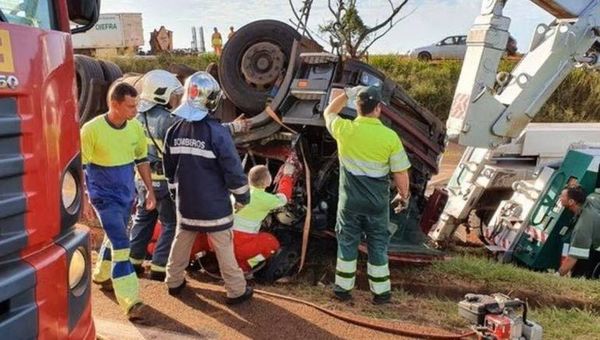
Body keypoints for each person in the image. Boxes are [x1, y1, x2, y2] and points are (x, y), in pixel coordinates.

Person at [163, 71, 253, 304]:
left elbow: (169, 169)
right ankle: (236, 290)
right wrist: (243, 196)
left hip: (186, 204)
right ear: (212, 101)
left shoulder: (174, 131)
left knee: (181, 240)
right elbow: (232, 169)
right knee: (223, 246)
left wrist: (176, 194)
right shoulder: (217, 133)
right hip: (214, 207)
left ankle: (173, 281)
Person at [323, 86, 411, 304]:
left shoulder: (345, 129)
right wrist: (404, 195)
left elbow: (328, 112)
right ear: (378, 108)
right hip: (377, 205)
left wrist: (347, 93)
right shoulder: (390, 137)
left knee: (347, 244)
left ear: (357, 107)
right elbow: (401, 173)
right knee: (378, 246)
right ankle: (381, 295)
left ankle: (342, 291)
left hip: (349, 203)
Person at [81, 83, 156, 320]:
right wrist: (83, 198)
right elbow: (79, 167)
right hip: (103, 197)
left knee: (116, 237)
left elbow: (141, 160)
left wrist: (150, 192)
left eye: (137, 105)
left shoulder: (135, 128)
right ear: (114, 104)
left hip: (127, 195)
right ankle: (131, 302)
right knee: (123, 246)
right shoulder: (90, 129)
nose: (136, 110)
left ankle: (102, 275)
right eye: (131, 106)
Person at [129, 70, 183, 281]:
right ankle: (160, 267)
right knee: (170, 223)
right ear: (162, 94)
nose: (175, 99)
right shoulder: (168, 120)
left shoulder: (137, 117)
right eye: (173, 94)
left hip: (141, 180)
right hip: (162, 183)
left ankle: (133, 262)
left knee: (143, 219)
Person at [232, 163, 297, 272]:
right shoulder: (265, 199)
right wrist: (287, 175)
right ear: (267, 182)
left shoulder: (238, 192)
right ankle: (245, 266)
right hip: (241, 244)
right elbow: (284, 198)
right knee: (271, 243)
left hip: (223, 240)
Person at [558, 184, 600, 278]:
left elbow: (573, 257)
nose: (559, 197)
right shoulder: (593, 197)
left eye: (562, 196)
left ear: (571, 202)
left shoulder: (582, 227)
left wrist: (557, 275)